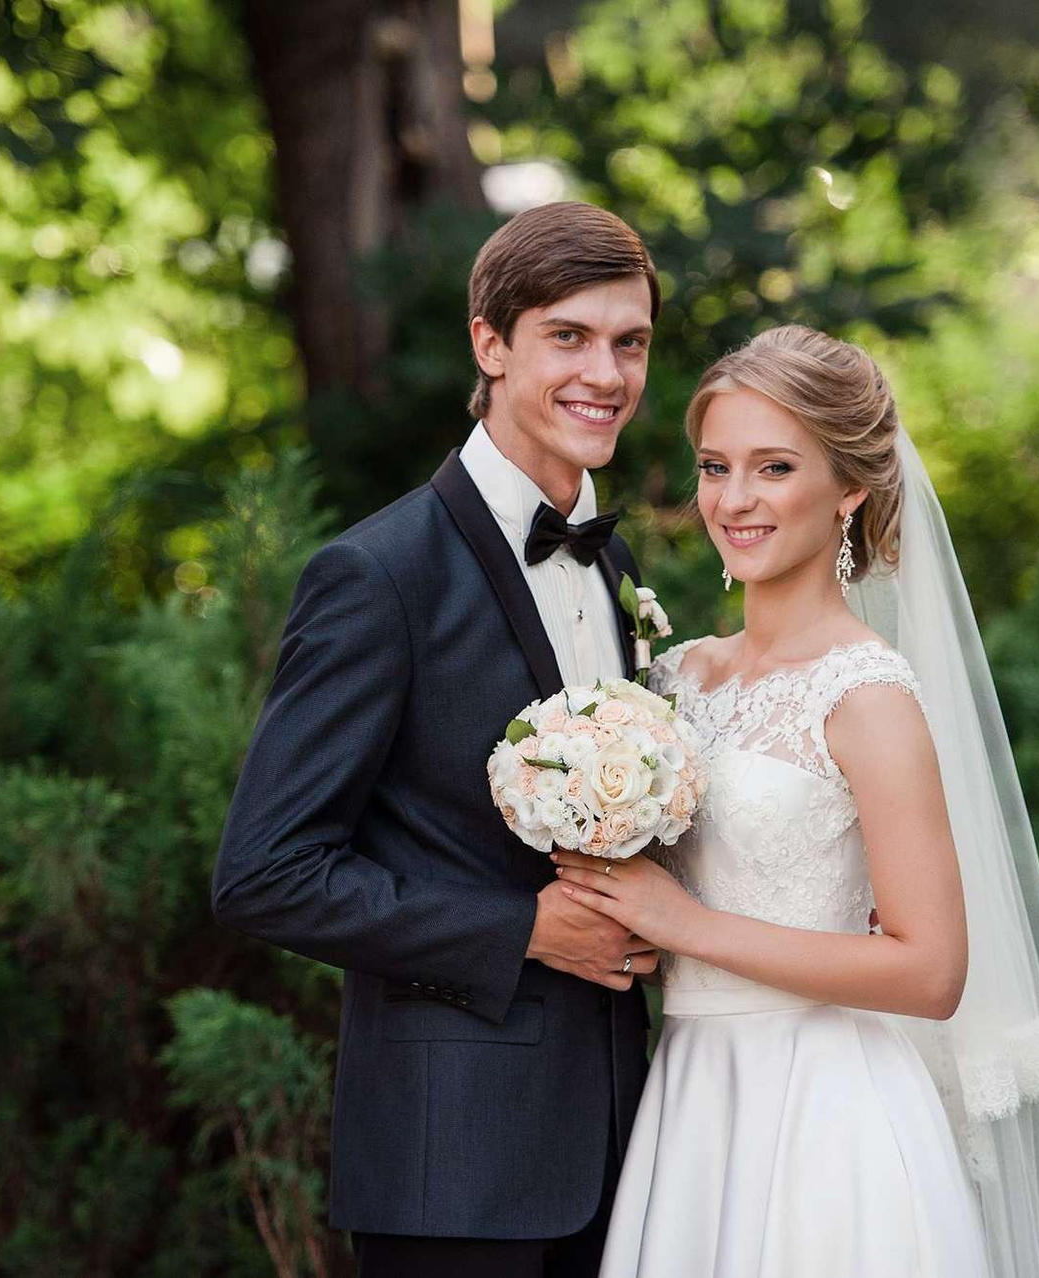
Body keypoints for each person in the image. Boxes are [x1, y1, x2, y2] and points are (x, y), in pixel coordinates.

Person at [553, 326, 1039, 1276]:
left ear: (849, 487)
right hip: (693, 1101)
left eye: (774, 467)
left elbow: (931, 972)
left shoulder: (866, 695)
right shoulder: (675, 679)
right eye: (716, 467)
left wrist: (685, 925)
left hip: (826, 1113)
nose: (735, 499)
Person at [212, 201, 662, 1278]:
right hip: (450, 1164)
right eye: (569, 337)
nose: (606, 373)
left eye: (631, 342)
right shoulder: (378, 576)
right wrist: (522, 929)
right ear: (490, 344)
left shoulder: (615, 566)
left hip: (628, 1148)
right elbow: (265, 874)